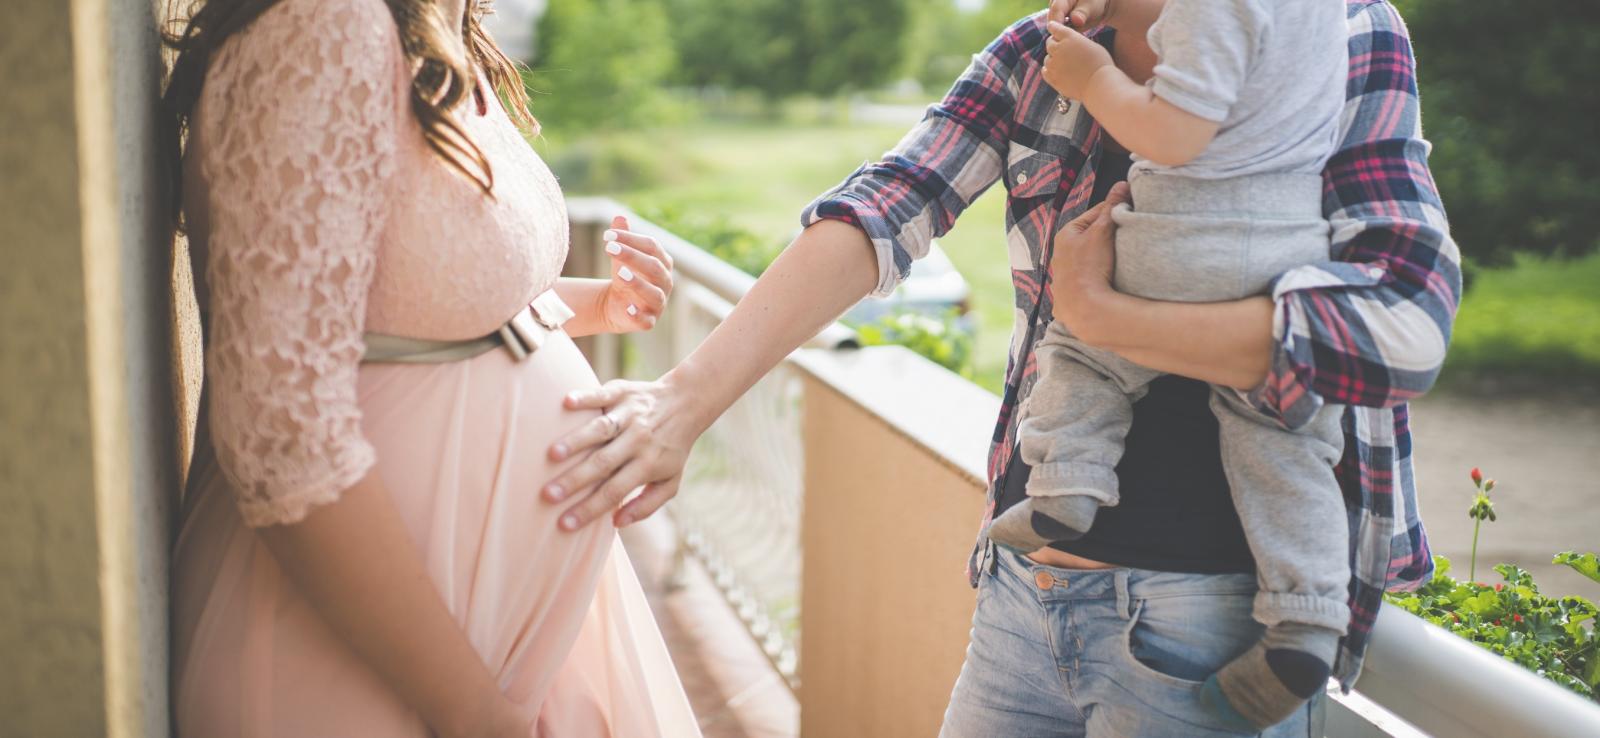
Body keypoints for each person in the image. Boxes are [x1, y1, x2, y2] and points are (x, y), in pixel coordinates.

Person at [543, 0, 1459, 733]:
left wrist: (1107, 318)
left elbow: (1404, 323)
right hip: (1025, 588)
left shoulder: (1341, 28)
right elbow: (887, 204)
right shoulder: (1044, 51)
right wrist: (683, 401)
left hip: (1211, 617)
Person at [161, 0, 698, 735]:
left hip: (500, 643)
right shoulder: (327, 25)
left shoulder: (442, 32)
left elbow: (409, 301)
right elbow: (281, 435)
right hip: (367, 658)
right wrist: (476, 713)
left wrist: (594, 306)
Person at [983, 0, 1353, 729]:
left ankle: (1066, 484)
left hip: (1184, 239)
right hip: (1286, 254)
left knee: (1082, 349)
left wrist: (1093, 78)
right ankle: (1307, 618)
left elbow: (1174, 134)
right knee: (1283, 437)